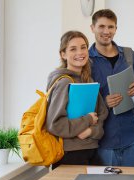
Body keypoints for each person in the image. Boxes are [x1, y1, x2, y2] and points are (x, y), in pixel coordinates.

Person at [89, 9, 134, 166]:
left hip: (132, 137)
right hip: (104, 142)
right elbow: (83, 104)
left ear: (116, 29)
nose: (106, 31)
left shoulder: (129, 55)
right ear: (92, 28)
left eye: (111, 27)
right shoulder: (86, 61)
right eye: (101, 26)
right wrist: (103, 102)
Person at [46, 31, 108, 169]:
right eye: (73, 49)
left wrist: (91, 131)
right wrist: (87, 120)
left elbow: (102, 115)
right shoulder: (63, 83)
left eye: (83, 47)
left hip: (90, 151)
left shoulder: (88, 80)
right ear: (63, 54)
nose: (80, 52)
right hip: (70, 155)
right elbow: (55, 124)